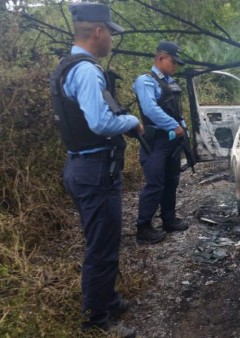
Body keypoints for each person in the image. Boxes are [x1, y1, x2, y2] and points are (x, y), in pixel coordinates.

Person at [49, 3, 138, 337]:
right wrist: (132, 122)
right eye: (110, 34)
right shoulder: (86, 70)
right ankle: (97, 320)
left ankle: (108, 299)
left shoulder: (64, 65)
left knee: (103, 238)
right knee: (102, 245)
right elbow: (100, 122)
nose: (111, 41)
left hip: (80, 165)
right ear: (98, 32)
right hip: (94, 168)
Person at [133, 41, 189, 244]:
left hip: (172, 140)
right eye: (173, 62)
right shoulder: (146, 80)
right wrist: (173, 125)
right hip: (155, 140)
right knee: (155, 183)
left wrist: (183, 128)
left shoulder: (170, 82)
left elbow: (176, 110)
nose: (175, 66)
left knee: (171, 181)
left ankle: (169, 219)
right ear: (161, 58)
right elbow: (150, 109)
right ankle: (144, 227)